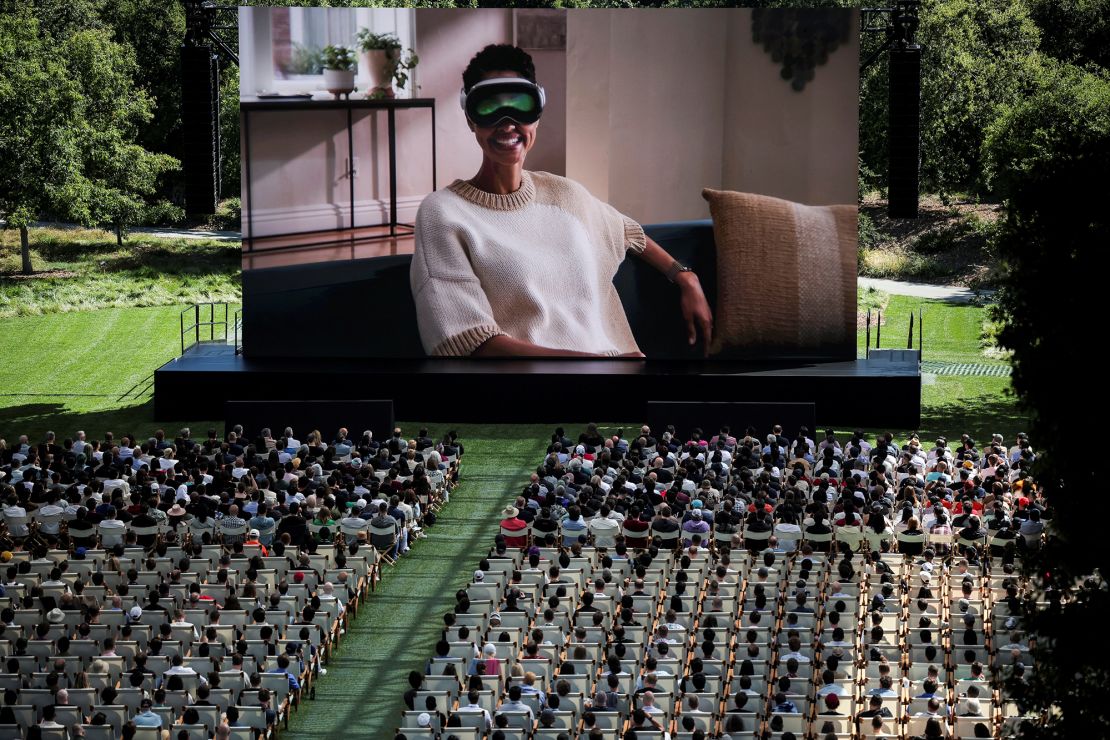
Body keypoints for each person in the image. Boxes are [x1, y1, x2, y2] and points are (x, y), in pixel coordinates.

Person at [411, 43, 713, 358]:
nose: (507, 122)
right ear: (471, 119)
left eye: (520, 105)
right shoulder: (443, 213)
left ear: (538, 114)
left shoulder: (563, 194)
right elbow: (469, 342)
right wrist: (601, 369)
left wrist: (685, 276)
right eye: (489, 107)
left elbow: (627, 231)